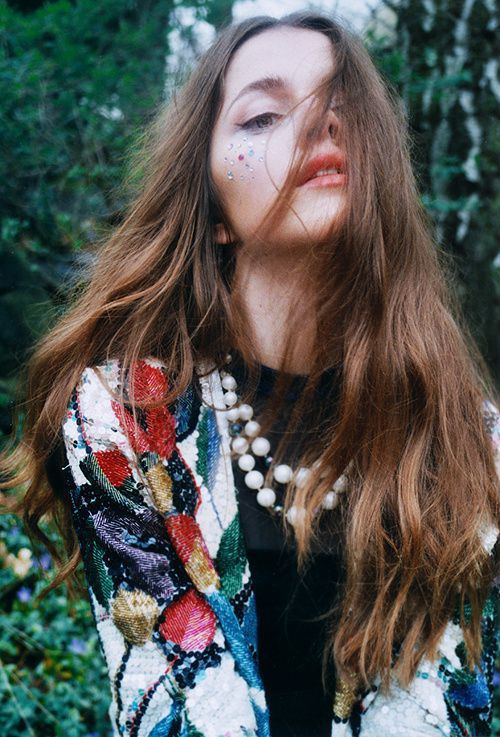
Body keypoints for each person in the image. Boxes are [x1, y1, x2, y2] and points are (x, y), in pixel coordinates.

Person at [1, 11, 498, 737]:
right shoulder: (125, 421)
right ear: (214, 213)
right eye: (263, 116)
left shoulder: (471, 441)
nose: (322, 123)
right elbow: (177, 708)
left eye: (343, 107)